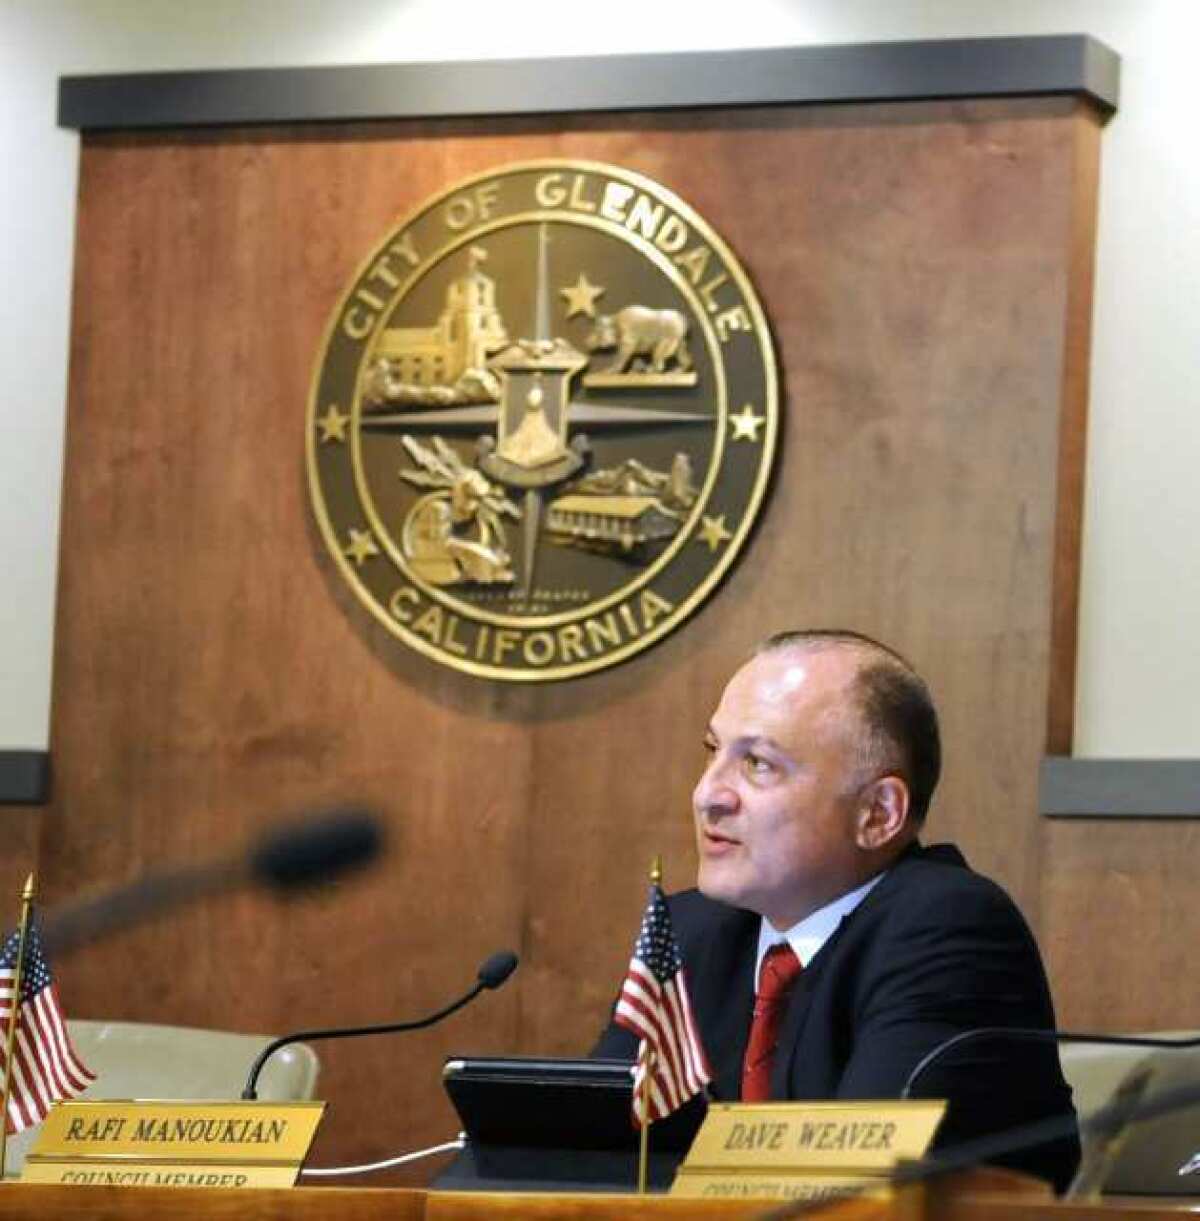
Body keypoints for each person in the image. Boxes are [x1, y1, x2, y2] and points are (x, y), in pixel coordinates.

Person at [593, 629, 1080, 1191]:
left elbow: (852, 1179)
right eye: (713, 752)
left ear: (878, 813)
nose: (709, 794)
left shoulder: (950, 927)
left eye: (757, 764)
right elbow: (587, 1154)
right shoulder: (692, 931)